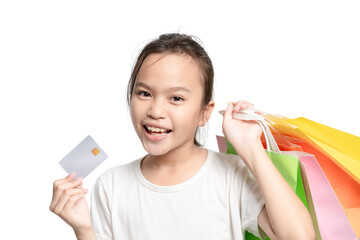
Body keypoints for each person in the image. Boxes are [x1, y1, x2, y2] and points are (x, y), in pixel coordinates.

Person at [49, 33, 315, 240]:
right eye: (144, 93)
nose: (155, 111)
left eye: (176, 98)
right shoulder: (111, 185)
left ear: (204, 112)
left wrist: (250, 148)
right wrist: (84, 230)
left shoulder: (232, 175)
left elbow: (299, 237)